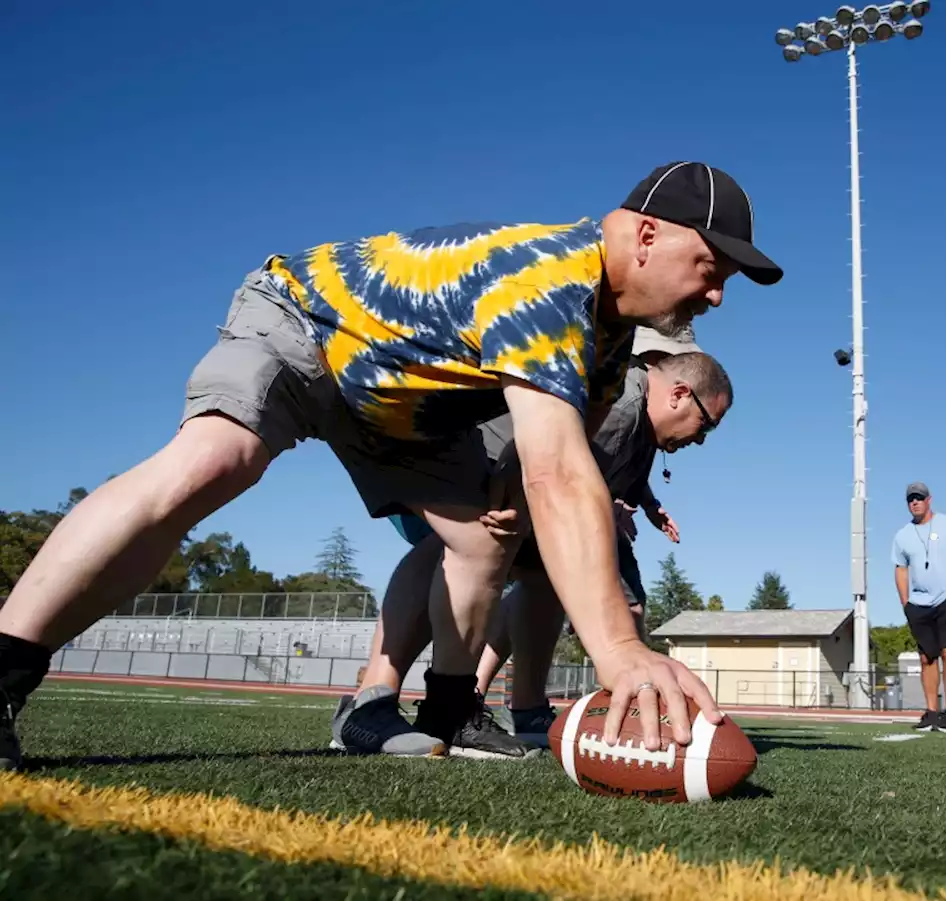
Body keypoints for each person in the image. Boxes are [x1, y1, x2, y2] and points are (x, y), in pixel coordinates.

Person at [0, 161, 782, 770]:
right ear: (644, 235)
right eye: (711, 265)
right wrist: (621, 652)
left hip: (404, 406)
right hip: (309, 327)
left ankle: (443, 712)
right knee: (218, 460)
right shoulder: (552, 279)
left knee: (482, 538)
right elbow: (561, 476)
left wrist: (502, 501)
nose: (716, 295)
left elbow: (547, 461)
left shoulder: (610, 344)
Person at [333, 335, 730, 756]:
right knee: (466, 540)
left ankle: (524, 709)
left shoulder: (637, 420)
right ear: (679, 394)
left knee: (542, 573)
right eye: (706, 424)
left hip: (494, 463)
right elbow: (551, 471)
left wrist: (640, 505)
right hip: (459, 448)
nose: (701, 439)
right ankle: (373, 701)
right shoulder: (623, 408)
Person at [892, 482, 946, 733]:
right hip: (919, 604)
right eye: (911, 499)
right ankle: (931, 712)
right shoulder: (902, 535)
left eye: (919, 498)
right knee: (926, 657)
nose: (915, 502)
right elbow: (900, 569)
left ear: (929, 500)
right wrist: (905, 602)